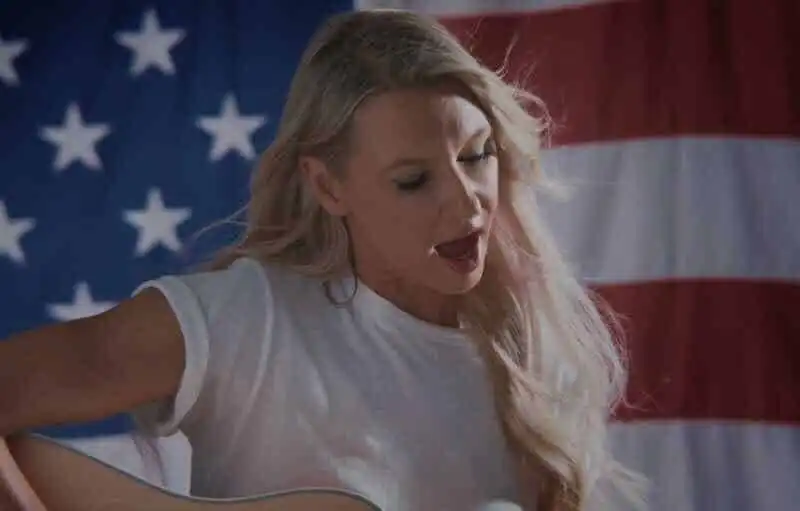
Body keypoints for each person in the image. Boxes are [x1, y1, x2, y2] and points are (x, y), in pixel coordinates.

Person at [0, 8, 645, 511]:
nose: (467, 201)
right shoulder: (247, 320)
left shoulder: (533, 354)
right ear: (327, 186)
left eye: (477, 154)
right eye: (413, 180)